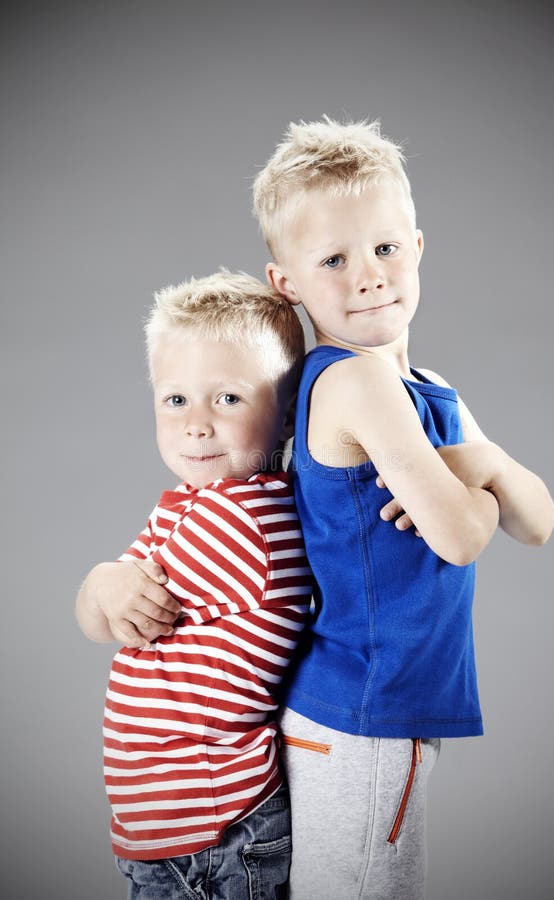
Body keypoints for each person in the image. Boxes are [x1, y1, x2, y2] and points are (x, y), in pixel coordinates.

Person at [250, 117, 554, 900]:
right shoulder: (353, 381)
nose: (368, 275)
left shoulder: (431, 390)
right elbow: (459, 535)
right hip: (363, 716)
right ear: (288, 283)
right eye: (333, 259)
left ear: (417, 248)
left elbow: (539, 521)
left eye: (385, 247)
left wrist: (479, 463)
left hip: (385, 715)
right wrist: (477, 484)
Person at [76, 270, 313, 899]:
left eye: (228, 399)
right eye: (175, 399)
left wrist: (108, 585)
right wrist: (105, 581)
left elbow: (119, 618)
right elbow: (101, 615)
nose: (196, 424)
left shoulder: (245, 518)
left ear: (287, 412)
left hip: (214, 833)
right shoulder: (190, 503)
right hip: (178, 831)